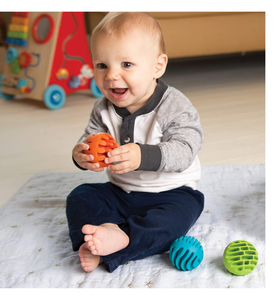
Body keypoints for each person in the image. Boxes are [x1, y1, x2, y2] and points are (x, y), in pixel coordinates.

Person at [66, 12, 204, 273]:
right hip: (121, 192)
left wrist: (144, 156)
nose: (111, 76)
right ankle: (104, 232)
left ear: (157, 66)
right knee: (81, 196)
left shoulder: (173, 105)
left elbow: (187, 148)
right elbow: (90, 136)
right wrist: (81, 154)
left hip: (172, 193)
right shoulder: (102, 108)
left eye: (126, 64)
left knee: (175, 220)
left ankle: (123, 241)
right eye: (102, 65)